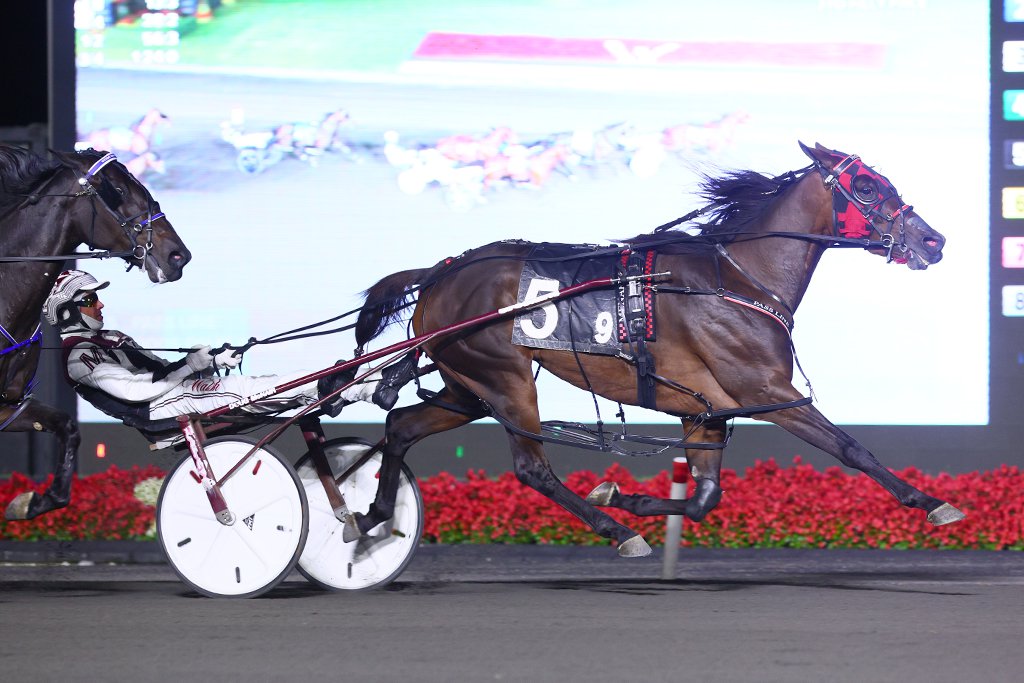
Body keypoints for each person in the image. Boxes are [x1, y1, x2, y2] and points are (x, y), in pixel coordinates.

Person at [42, 270, 416, 425]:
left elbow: (162, 369)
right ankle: (369, 386)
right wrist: (190, 366)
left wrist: (212, 362)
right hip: (161, 409)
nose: (100, 305)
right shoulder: (79, 356)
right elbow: (137, 392)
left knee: (273, 381)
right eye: (91, 300)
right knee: (260, 389)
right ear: (69, 309)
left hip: (181, 393)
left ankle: (361, 388)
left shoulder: (112, 338)